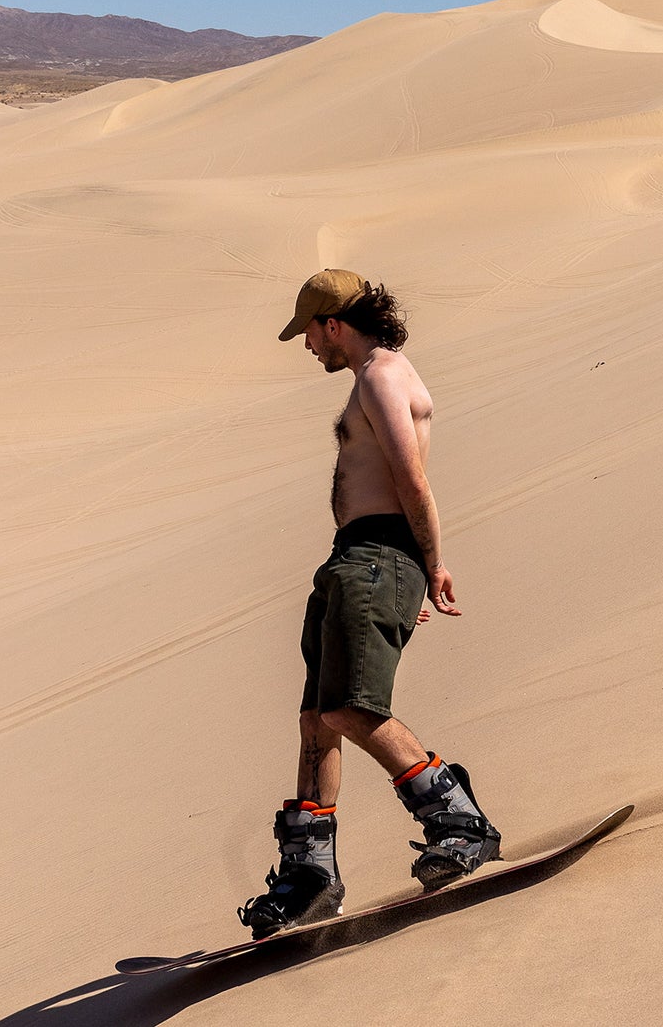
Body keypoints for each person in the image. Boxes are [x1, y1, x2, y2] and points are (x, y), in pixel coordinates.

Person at [238, 269, 502, 939]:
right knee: (316, 720)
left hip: (380, 556)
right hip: (352, 557)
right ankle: (310, 875)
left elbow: (411, 476)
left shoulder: (382, 375)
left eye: (309, 334)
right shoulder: (372, 376)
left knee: (351, 708)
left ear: (334, 323)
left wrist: (428, 564)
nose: (307, 348)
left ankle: (458, 820)